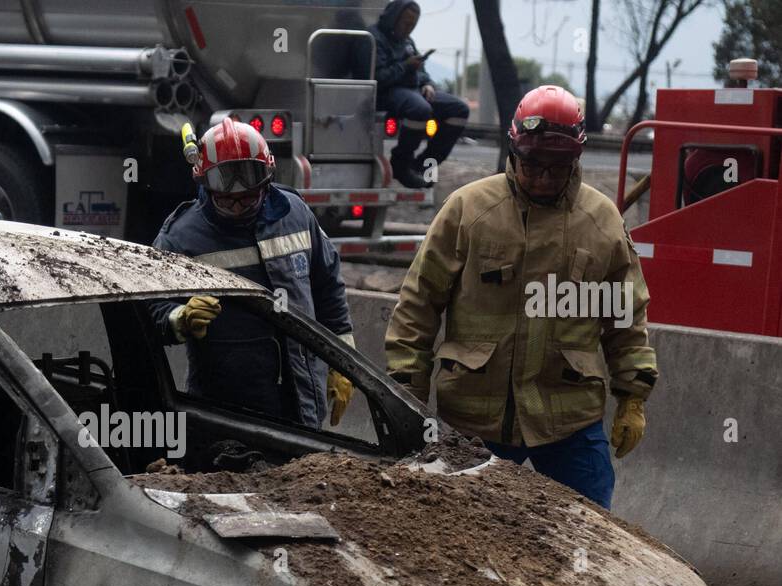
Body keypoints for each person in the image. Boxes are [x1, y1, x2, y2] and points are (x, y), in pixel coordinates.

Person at [384, 85, 657, 508]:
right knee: (460, 535)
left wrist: (632, 396)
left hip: (568, 419)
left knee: (591, 536)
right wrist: (407, 392)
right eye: (532, 164)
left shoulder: (601, 222)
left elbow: (624, 318)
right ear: (514, 151)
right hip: (475, 417)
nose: (544, 177)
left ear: (576, 159)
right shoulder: (467, 211)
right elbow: (418, 305)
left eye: (557, 166)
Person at [151, 117, 355, 430]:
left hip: (301, 399)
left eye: (248, 196)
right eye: (227, 198)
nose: (237, 206)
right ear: (204, 182)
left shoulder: (296, 214)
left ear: (267, 179)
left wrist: (343, 361)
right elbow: (151, 309)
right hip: (227, 412)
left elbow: (327, 285)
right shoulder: (180, 238)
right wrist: (180, 318)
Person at [369, 0, 471, 189]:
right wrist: (406, 66)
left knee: (459, 109)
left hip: (413, 90)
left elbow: (421, 72)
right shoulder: (374, 38)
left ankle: (423, 164)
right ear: (394, 18)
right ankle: (400, 165)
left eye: (413, 24)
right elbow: (378, 77)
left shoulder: (407, 41)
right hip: (387, 93)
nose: (409, 28)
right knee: (419, 109)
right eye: (406, 23)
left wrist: (428, 84)